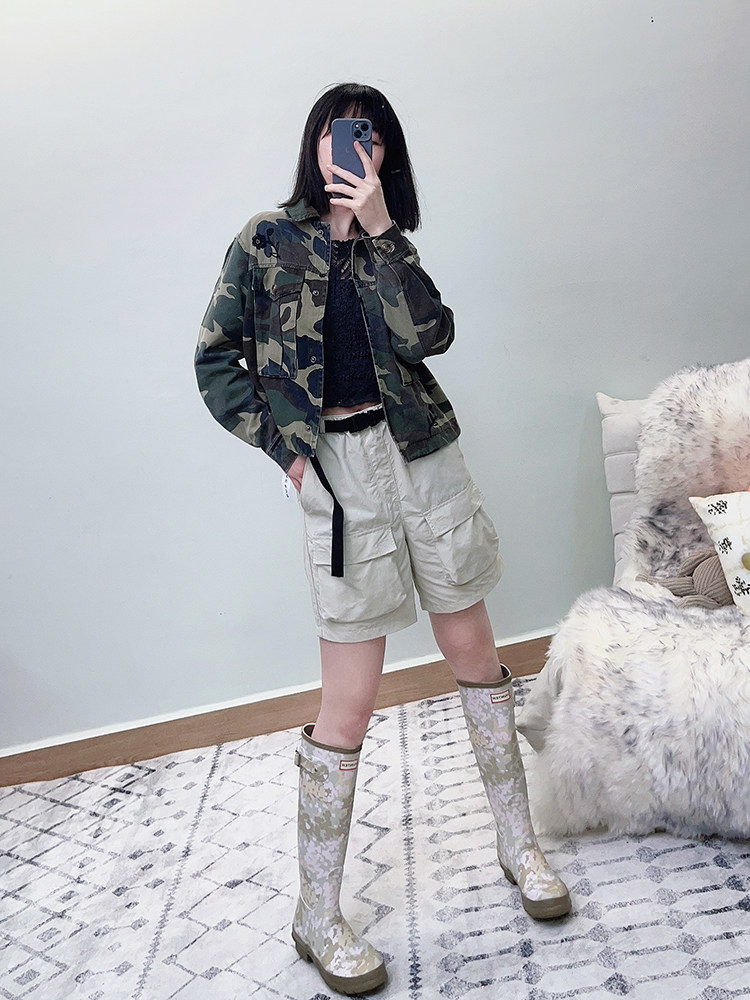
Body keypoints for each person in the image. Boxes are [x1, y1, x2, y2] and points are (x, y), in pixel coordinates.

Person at [195, 82, 570, 996]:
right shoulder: (266, 240)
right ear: (314, 143)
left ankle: (518, 846)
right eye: (338, 134)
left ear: (383, 152)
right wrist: (285, 449)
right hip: (338, 470)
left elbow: (431, 336)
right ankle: (316, 914)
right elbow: (215, 359)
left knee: (474, 651)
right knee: (351, 698)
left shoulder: (388, 240)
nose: (351, 149)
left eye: (368, 138)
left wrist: (383, 230)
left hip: (424, 457)